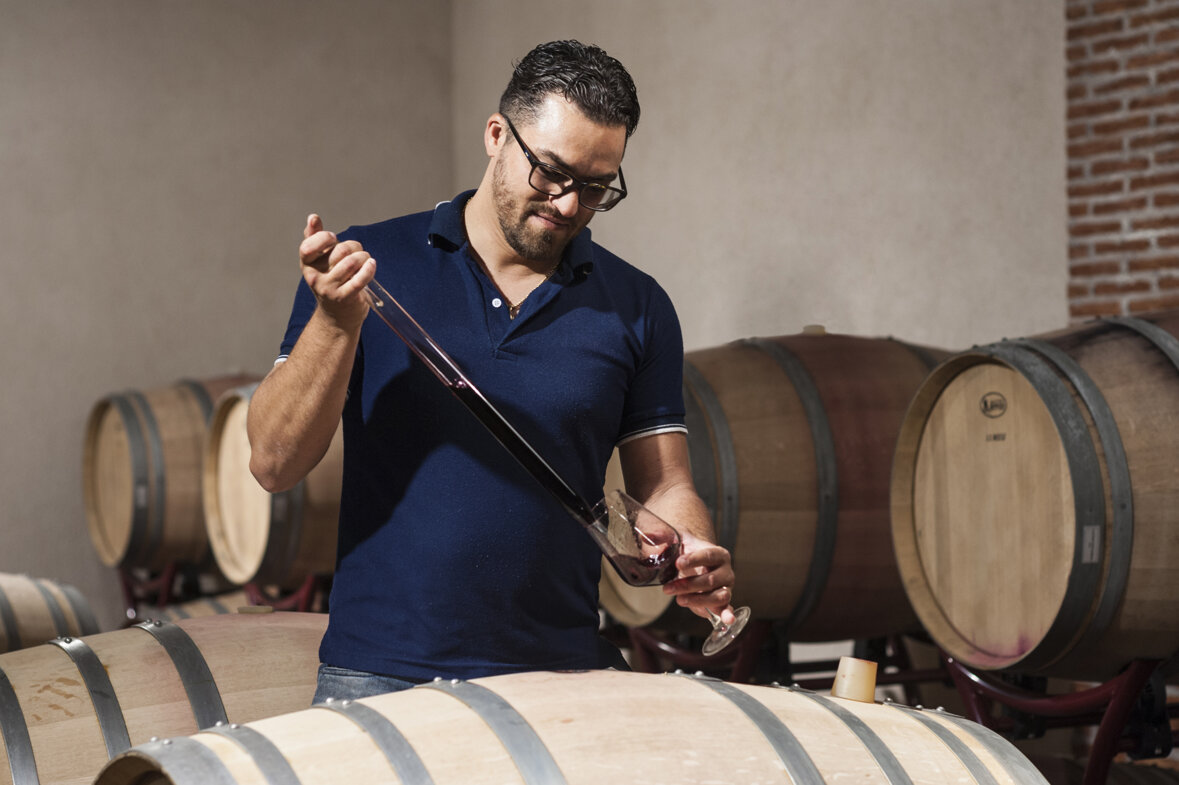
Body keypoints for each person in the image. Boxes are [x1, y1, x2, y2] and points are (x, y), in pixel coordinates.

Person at [247, 39, 737, 702]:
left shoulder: (636, 305)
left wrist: (692, 545)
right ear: (496, 135)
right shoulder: (369, 264)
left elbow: (666, 484)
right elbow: (273, 463)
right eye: (550, 172)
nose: (568, 204)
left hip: (560, 677)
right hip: (378, 673)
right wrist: (335, 323)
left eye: (595, 187)